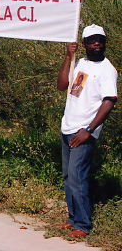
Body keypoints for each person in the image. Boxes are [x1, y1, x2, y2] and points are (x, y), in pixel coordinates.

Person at [55, 24, 118, 237]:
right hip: (68, 126)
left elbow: (108, 102)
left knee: (76, 175)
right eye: (92, 40)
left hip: (84, 131)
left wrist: (89, 130)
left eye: (100, 39)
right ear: (84, 44)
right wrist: (67, 57)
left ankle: (83, 225)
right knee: (67, 176)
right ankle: (72, 218)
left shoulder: (107, 70)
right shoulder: (79, 63)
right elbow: (62, 85)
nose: (97, 43)